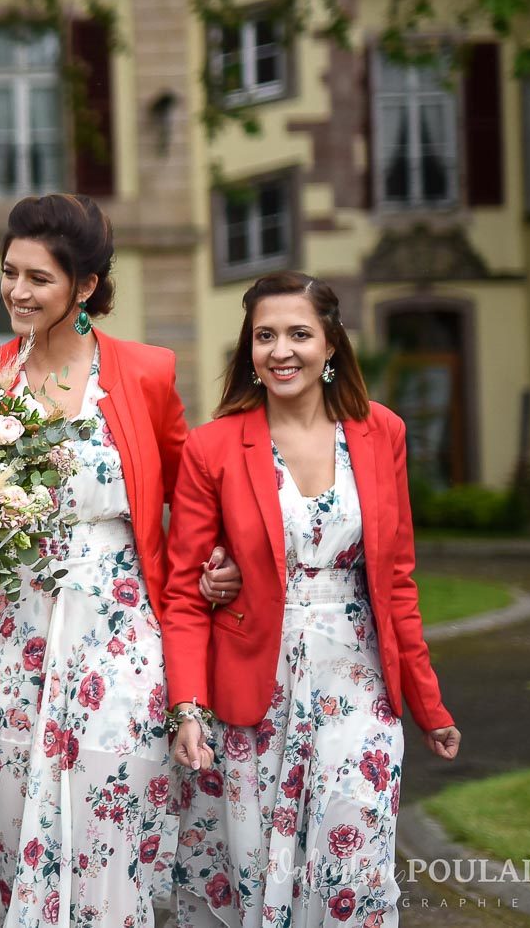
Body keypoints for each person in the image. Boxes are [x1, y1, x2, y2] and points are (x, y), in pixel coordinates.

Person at [0, 193, 241, 927]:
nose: (16, 292)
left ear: (87, 287)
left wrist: (217, 561)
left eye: (38, 278)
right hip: (13, 639)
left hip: (121, 638)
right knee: (10, 827)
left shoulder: (144, 373)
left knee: (111, 830)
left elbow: (191, 496)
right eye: (10, 272)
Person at [164, 271, 461, 927]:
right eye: (264, 336)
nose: (281, 350)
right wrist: (187, 708)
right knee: (257, 870)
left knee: (353, 853)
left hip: (357, 678)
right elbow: (185, 592)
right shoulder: (213, 446)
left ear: (331, 344)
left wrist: (427, 701)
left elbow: (398, 580)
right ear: (249, 349)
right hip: (251, 688)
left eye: (299, 333)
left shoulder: (381, 432)